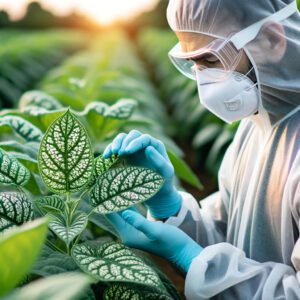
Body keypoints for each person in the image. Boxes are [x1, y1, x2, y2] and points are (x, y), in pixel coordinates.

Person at [102, 0, 300, 298]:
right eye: (192, 64)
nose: (203, 80)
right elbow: (230, 234)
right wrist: (170, 208)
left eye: (210, 60)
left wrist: (191, 258)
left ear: (272, 40)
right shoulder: (257, 127)